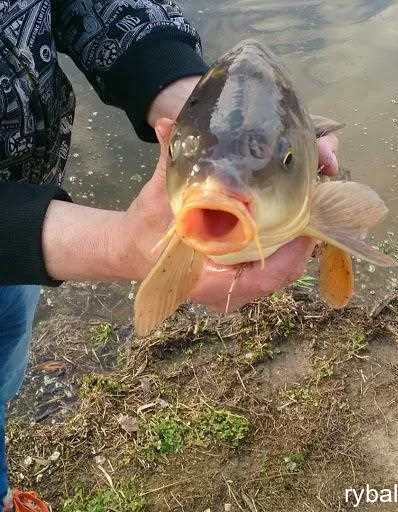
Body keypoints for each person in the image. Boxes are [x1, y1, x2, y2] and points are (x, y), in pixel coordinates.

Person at [0, 1, 339, 510]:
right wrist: (115, 245)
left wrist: (188, 99)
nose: (226, 191)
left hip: (19, 238)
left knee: (3, 369)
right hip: (27, 233)